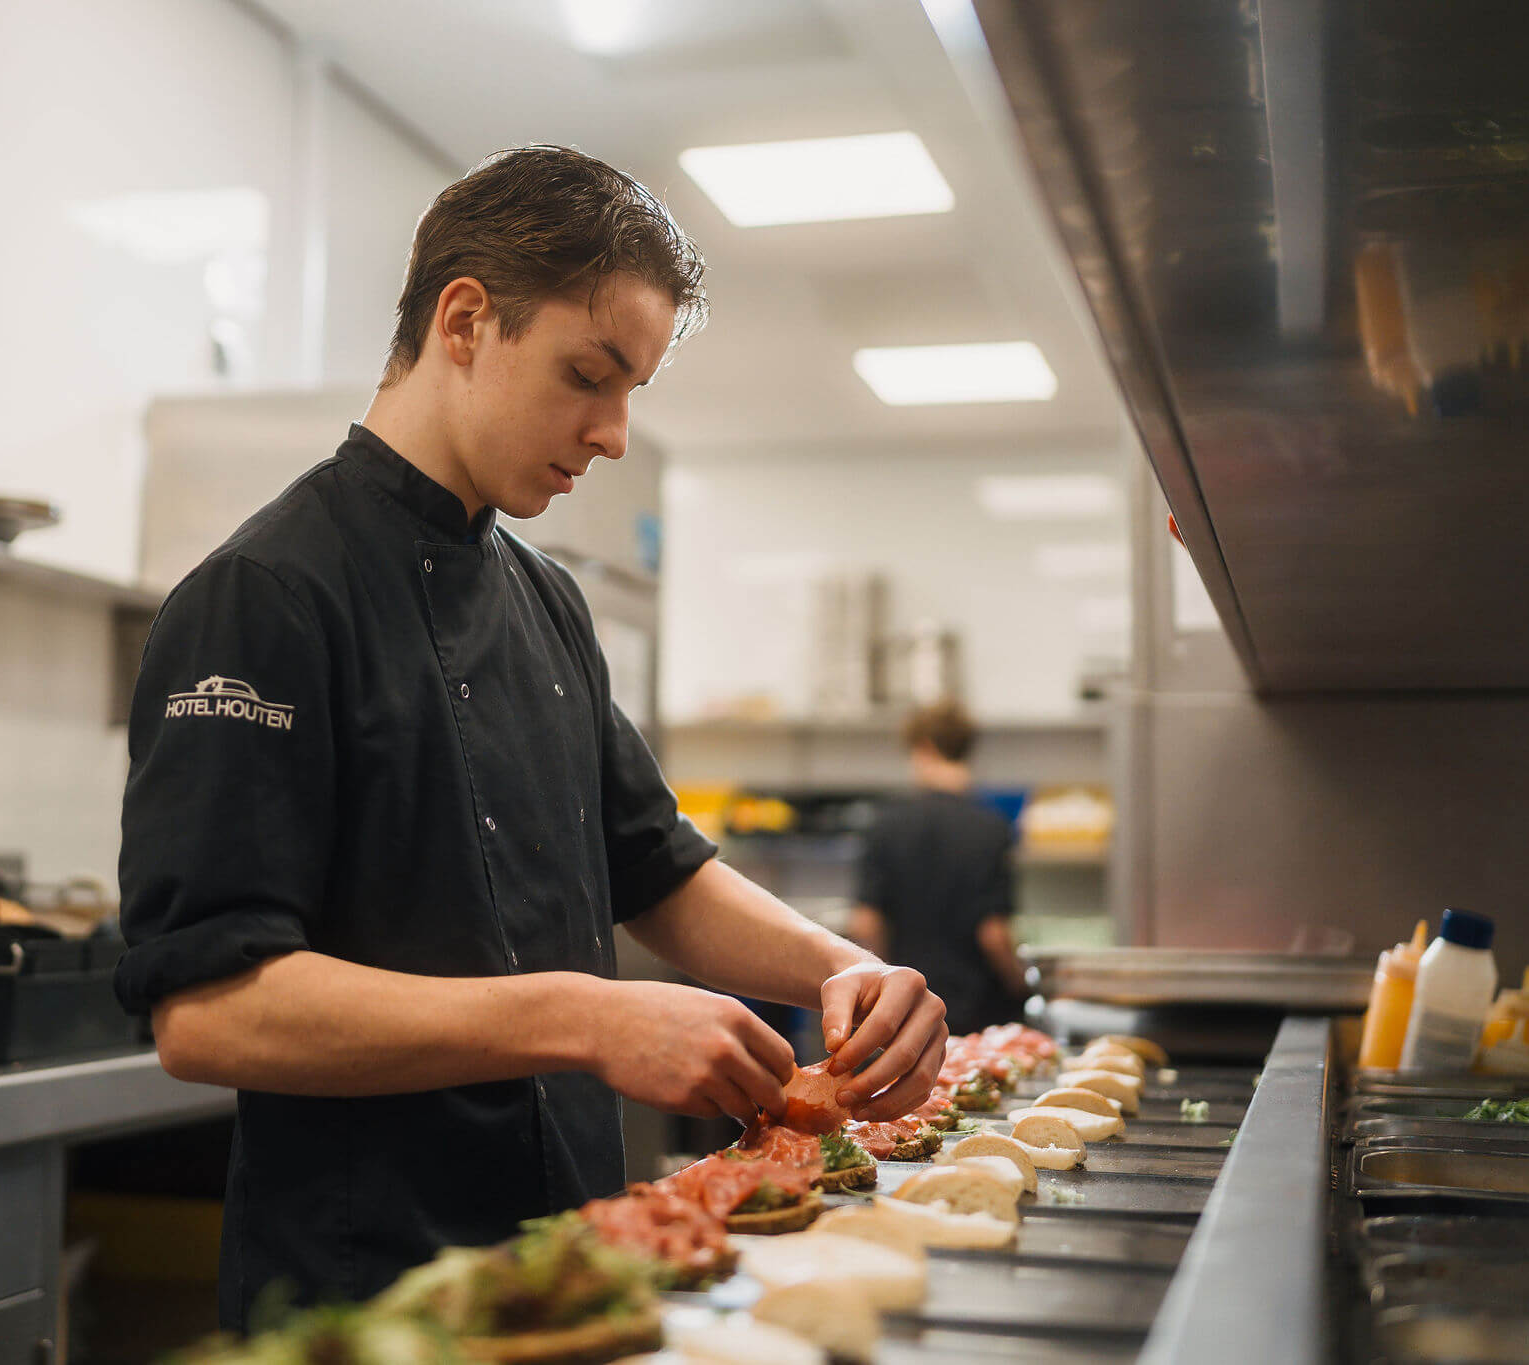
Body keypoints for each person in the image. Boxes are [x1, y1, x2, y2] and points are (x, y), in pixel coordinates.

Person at [114, 145, 948, 1328]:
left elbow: (654, 869)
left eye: (630, 391)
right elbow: (210, 1012)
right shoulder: (266, 596)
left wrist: (841, 971)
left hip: (573, 1269)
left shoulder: (543, 597)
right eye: (586, 376)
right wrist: (584, 1017)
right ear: (464, 322)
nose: (611, 434)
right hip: (372, 1302)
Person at [846, 700, 1028, 1036]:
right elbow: (993, 933)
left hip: (906, 1007)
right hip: (976, 1013)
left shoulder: (886, 824)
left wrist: (883, 989)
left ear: (924, 748)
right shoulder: (991, 827)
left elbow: (866, 922)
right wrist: (1022, 985)